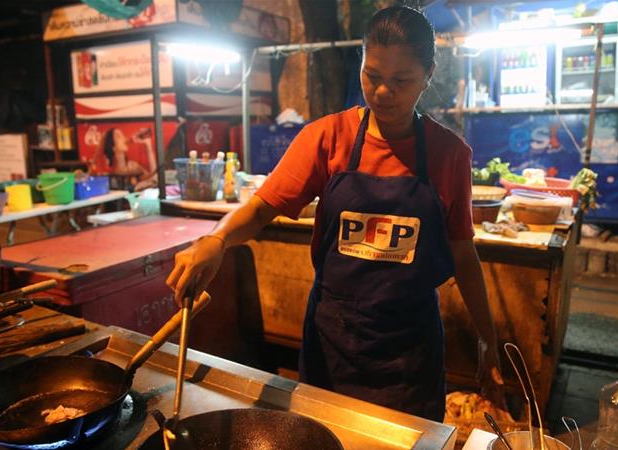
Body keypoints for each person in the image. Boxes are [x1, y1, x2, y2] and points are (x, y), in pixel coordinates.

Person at [167, 6, 503, 421]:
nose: (383, 92)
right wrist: (216, 240)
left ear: (428, 74)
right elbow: (259, 209)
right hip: (334, 342)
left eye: (401, 81)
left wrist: (488, 336)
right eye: (372, 75)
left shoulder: (450, 154)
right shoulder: (328, 138)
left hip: (410, 354)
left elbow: (463, 253)